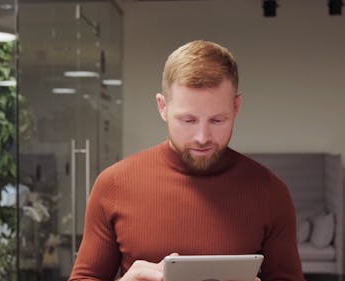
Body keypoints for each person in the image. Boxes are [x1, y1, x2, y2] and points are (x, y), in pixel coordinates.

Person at [69, 40, 304, 281]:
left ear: (236, 107)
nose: (202, 138)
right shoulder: (113, 185)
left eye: (217, 120)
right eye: (188, 121)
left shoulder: (271, 192)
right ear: (162, 107)